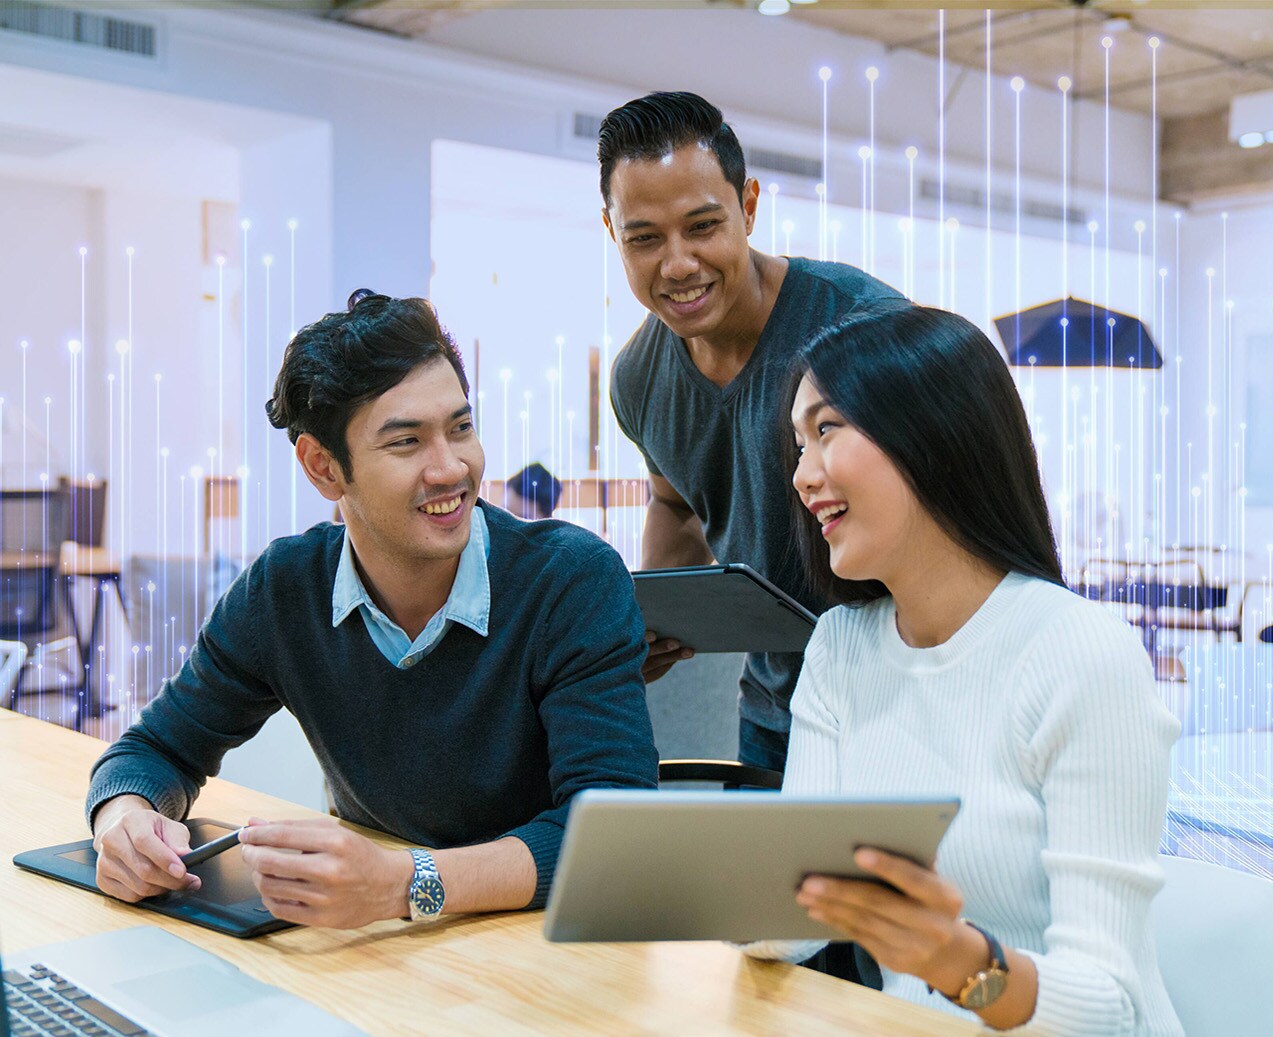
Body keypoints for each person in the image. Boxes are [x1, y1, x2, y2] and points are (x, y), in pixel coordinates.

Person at [86, 291, 659, 928]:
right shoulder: (285, 589)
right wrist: (123, 821)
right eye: (407, 441)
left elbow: (614, 835)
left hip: (543, 940)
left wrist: (405, 883)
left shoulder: (571, 581)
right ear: (323, 467)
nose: (451, 468)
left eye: (460, 428)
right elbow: (155, 749)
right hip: (376, 946)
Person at [743, 300, 1182, 1036]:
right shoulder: (840, 647)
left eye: (827, 429)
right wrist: (697, 881)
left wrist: (958, 961)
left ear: (932, 435)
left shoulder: (1080, 653)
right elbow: (791, 924)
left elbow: (1110, 1008)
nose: (802, 476)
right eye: (797, 444)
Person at [600, 90, 903, 774]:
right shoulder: (638, 378)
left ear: (749, 205)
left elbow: (944, 515)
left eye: (702, 226)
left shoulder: (863, 326)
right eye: (644, 238)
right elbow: (675, 502)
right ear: (612, 232)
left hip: (894, 703)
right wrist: (653, 619)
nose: (678, 264)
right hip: (772, 714)